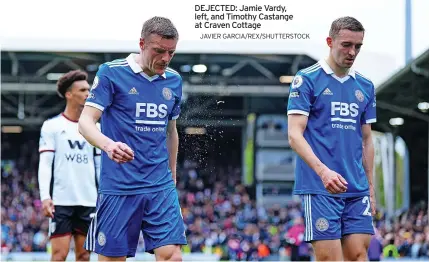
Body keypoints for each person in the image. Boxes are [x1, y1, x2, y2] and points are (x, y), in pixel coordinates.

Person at [78, 16, 186, 261]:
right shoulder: (112, 73)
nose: (166, 59)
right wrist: (108, 145)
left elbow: (171, 131)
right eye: (159, 51)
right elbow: (85, 123)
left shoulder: (174, 80)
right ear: (142, 43)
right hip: (119, 186)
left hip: (160, 185)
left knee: (173, 256)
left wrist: (172, 173)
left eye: (171, 52)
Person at [287, 16, 377, 261]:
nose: (352, 52)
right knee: (330, 259)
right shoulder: (306, 79)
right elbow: (294, 135)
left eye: (358, 46)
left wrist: (370, 188)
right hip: (320, 187)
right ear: (330, 41)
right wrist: (323, 172)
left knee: (358, 255)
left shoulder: (366, 86)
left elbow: (367, 140)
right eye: (346, 44)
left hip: (356, 188)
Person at [38, 70, 100, 261]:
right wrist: (45, 197)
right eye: (82, 90)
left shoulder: (96, 128)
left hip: (88, 201)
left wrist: (102, 196)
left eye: (89, 90)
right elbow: (45, 164)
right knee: (59, 255)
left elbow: (99, 167)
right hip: (61, 202)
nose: (88, 94)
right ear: (69, 94)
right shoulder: (52, 126)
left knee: (84, 255)